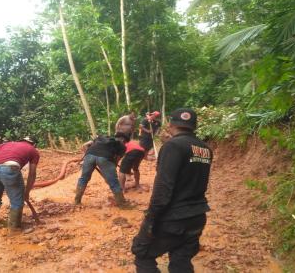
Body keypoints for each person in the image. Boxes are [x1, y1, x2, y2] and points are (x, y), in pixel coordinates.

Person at [131, 108, 213, 273]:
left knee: (143, 255)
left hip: (174, 219)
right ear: (194, 126)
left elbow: (163, 188)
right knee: (181, 261)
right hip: (197, 217)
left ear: (170, 124)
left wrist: (150, 220)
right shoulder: (205, 149)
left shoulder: (172, 146)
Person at [0, 136, 40, 231]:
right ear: (34, 144)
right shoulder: (33, 150)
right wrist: (26, 192)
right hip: (11, 168)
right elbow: (32, 173)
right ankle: (14, 229)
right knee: (17, 201)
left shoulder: (6, 144)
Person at [75, 132, 130, 208]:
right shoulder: (122, 146)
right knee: (114, 182)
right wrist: (110, 173)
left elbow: (85, 145)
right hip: (105, 158)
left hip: (89, 155)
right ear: (123, 139)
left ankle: (77, 201)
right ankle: (122, 204)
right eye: (125, 142)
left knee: (84, 178)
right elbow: (116, 160)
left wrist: (89, 155)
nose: (125, 143)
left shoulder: (102, 138)